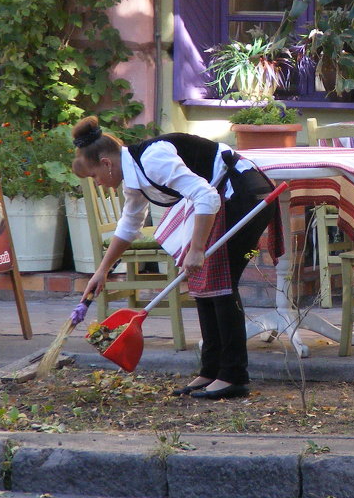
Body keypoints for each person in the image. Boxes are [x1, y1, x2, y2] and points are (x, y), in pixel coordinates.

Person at [70, 116, 278, 400]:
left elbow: (205, 197)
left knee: (220, 284)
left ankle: (233, 376)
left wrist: (196, 249)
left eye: (95, 177)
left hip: (244, 194)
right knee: (204, 283)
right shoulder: (133, 178)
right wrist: (102, 270)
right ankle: (211, 369)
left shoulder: (154, 158)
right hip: (222, 199)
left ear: (106, 163)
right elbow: (129, 225)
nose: (100, 184)